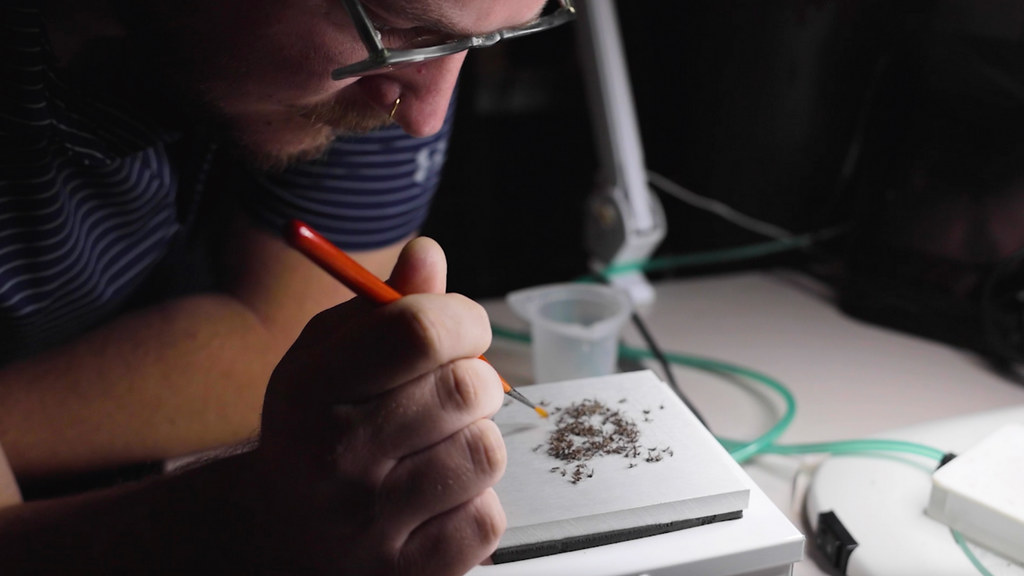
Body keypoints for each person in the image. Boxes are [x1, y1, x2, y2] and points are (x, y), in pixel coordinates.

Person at [0, 0, 574, 571]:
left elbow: (279, 331)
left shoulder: (388, 67)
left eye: (492, 40)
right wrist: (235, 523)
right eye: (396, 25)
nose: (426, 114)